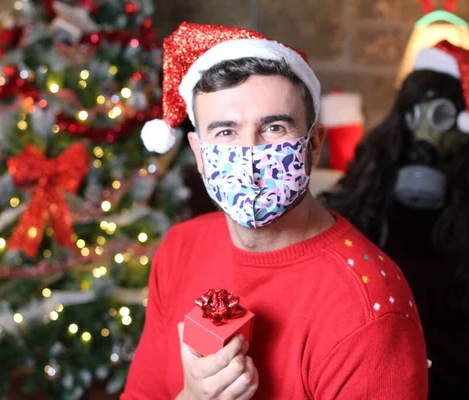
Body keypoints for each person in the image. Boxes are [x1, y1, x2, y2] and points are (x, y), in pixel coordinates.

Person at [121, 22, 428, 399]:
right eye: (225, 133)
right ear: (200, 153)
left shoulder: (369, 307)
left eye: (274, 128)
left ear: (313, 144)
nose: (249, 156)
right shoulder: (180, 247)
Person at [319, 41, 469, 400]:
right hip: (371, 380)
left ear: (468, 122)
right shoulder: (366, 193)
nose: (425, 129)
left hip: (455, 381)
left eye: (439, 115)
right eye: (414, 111)